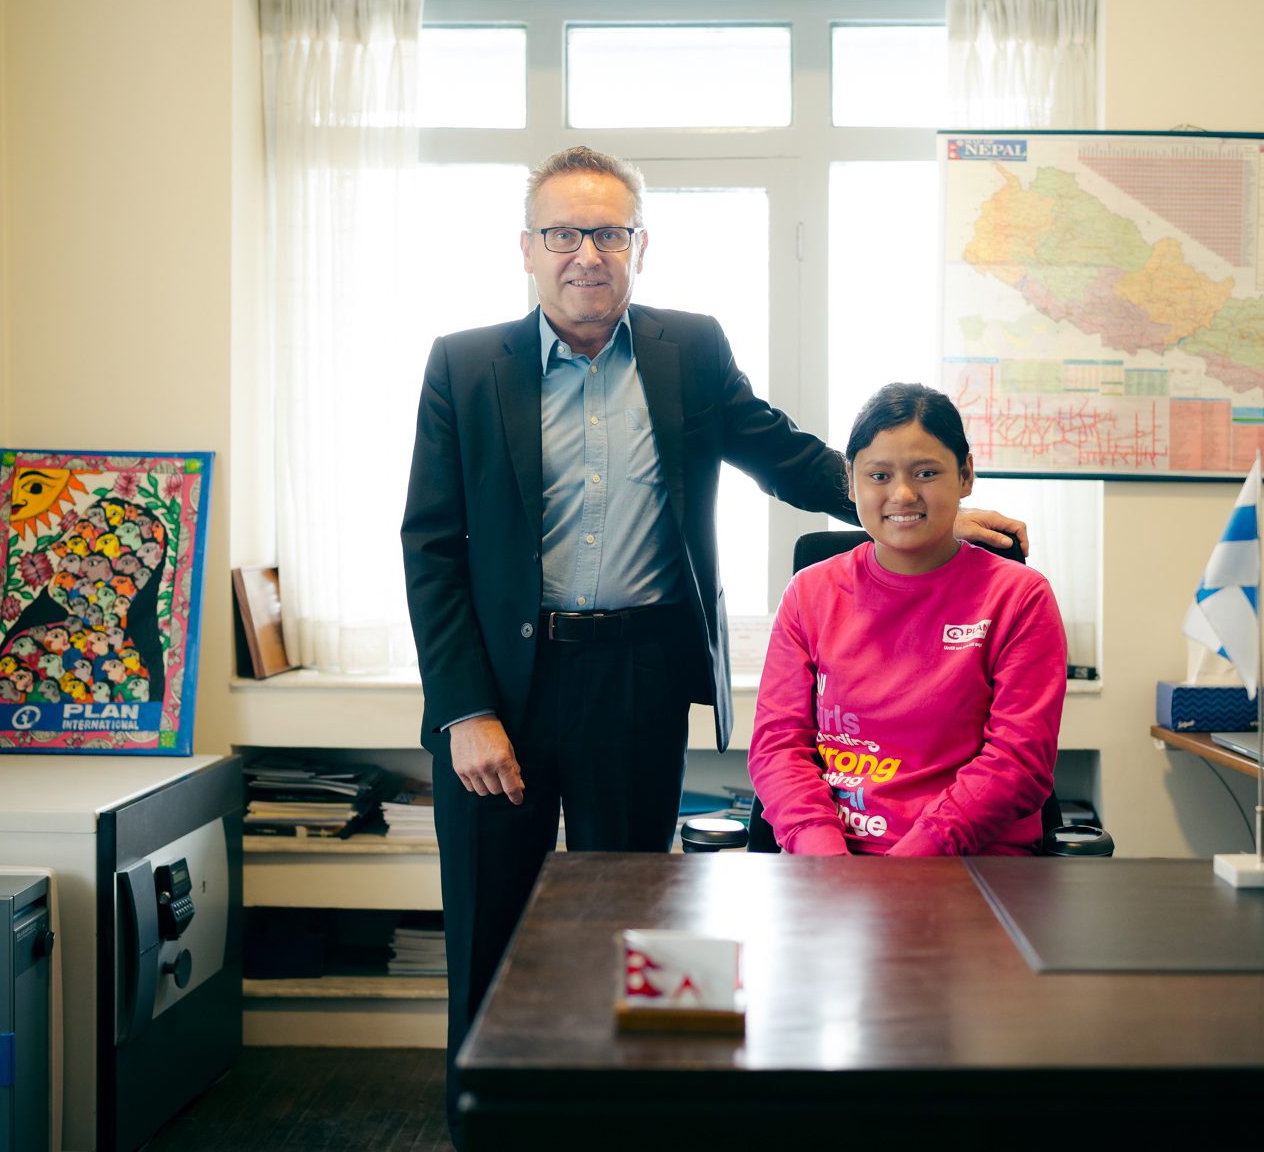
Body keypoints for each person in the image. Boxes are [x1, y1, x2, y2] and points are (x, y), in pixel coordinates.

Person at [401, 147, 1027, 1138]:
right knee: (489, 929)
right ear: (526, 248)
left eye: (608, 233)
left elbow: (781, 456)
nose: (586, 255)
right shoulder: (465, 363)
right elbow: (430, 545)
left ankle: (614, 1124)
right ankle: (484, 1131)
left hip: (637, 674)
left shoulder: (686, 349)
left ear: (639, 247)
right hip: (502, 691)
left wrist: (913, 512)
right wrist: (463, 710)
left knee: (631, 928)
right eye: (563, 233)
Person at [748, 383, 1067, 856]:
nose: (902, 493)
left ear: (966, 476)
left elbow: (1017, 763)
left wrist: (909, 864)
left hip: (965, 865)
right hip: (832, 866)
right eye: (878, 475)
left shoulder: (1018, 598)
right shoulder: (809, 594)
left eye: (926, 472)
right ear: (851, 483)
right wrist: (825, 858)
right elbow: (778, 747)